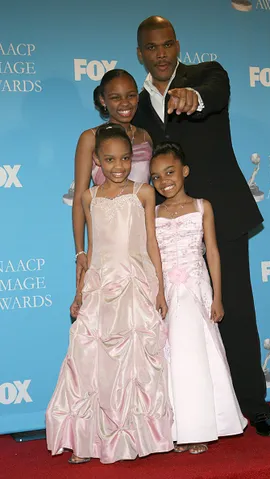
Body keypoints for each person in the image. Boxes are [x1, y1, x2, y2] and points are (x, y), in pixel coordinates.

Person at [133, 15, 270, 436]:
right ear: (140, 53)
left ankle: (254, 406)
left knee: (233, 311)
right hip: (164, 228)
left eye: (166, 45)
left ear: (177, 45)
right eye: (151, 48)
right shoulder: (136, 104)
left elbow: (212, 96)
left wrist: (191, 97)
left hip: (221, 215)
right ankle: (181, 413)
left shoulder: (207, 75)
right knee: (175, 321)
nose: (160, 54)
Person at [46, 124, 173, 464]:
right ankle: (89, 439)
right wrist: (80, 290)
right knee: (92, 361)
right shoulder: (89, 197)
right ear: (97, 162)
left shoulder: (144, 192)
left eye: (126, 158)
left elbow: (151, 242)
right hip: (101, 285)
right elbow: (92, 247)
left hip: (134, 282)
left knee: (139, 365)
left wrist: (159, 287)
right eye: (110, 159)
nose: (119, 166)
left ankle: (140, 436)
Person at [151, 142, 248, 454]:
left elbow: (214, 253)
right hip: (167, 292)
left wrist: (218, 296)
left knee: (199, 356)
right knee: (172, 358)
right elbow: (152, 259)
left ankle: (202, 426)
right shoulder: (151, 213)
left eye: (170, 172)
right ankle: (176, 428)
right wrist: (156, 292)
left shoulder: (202, 206)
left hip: (197, 288)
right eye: (156, 177)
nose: (164, 180)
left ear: (185, 171)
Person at [73, 69, 153, 287]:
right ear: (103, 100)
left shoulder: (146, 136)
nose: (125, 103)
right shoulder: (90, 138)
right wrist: (80, 250)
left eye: (131, 95)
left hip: (145, 240)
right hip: (108, 242)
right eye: (115, 97)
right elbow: (80, 198)